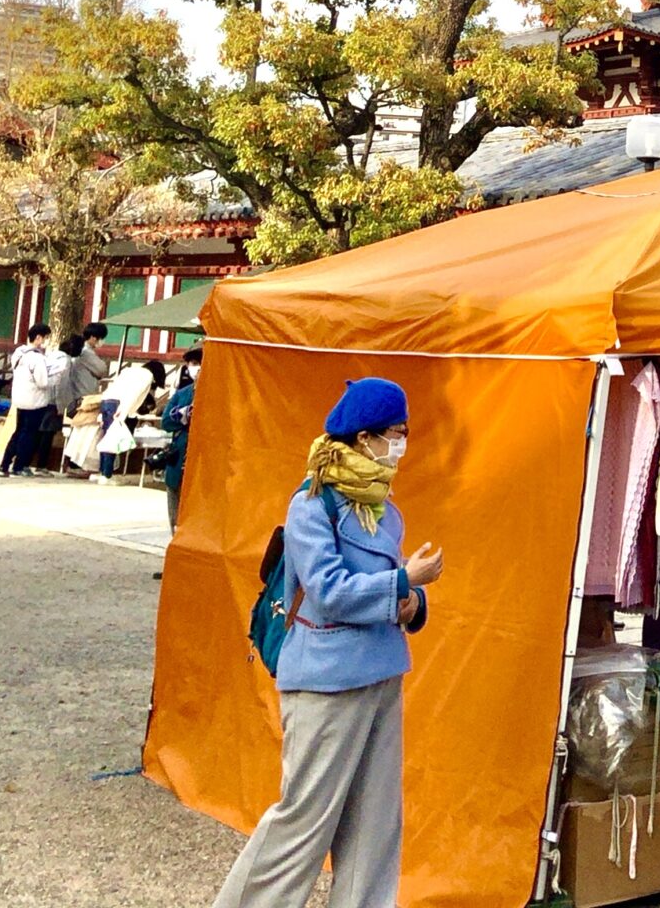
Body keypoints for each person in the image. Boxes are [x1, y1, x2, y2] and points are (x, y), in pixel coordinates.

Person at [209, 377, 441, 908]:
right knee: (304, 819)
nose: (401, 444)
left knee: (374, 824)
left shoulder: (383, 507)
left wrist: (413, 603)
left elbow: (385, 590)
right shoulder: (312, 505)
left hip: (380, 672)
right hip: (326, 678)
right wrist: (405, 581)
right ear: (364, 438)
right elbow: (329, 591)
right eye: (395, 433)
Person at [0, 324, 65, 476]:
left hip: (20, 398)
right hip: (35, 401)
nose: (47, 341)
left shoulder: (19, 352)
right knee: (29, 435)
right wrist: (56, 376)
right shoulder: (37, 358)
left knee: (18, 432)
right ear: (38, 338)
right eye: (46, 337)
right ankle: (20, 466)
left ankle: (4, 465)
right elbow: (43, 382)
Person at [53, 324, 109, 475]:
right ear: (92, 337)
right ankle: (74, 464)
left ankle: (72, 464)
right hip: (83, 397)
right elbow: (102, 369)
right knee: (82, 433)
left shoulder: (80, 352)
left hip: (77, 395)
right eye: (100, 339)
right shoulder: (86, 353)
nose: (101, 342)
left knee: (77, 431)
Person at [96, 355, 162, 480]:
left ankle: (102, 471)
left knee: (106, 437)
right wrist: (124, 411)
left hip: (107, 401)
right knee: (113, 440)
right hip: (119, 405)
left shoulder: (129, 370)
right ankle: (107, 474)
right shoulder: (147, 376)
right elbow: (133, 394)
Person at [160, 347, 201, 527]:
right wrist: (183, 417)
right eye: (193, 364)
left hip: (202, 463)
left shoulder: (219, 392)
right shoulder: (182, 394)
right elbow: (166, 422)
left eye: (201, 363)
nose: (197, 368)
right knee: (175, 511)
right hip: (178, 458)